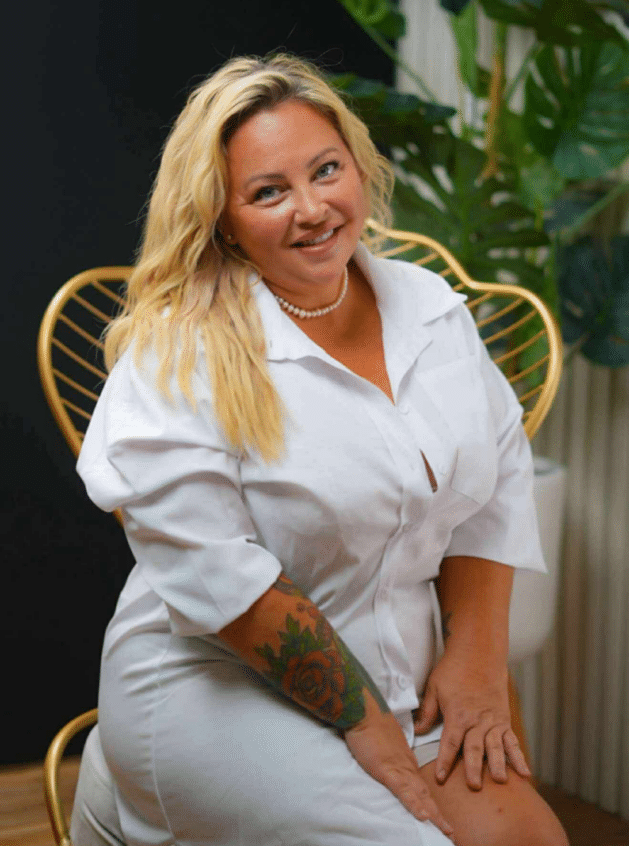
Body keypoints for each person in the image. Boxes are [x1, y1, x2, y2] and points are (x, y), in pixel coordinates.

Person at [75, 53, 569, 846]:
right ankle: (127, 785)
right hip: (220, 683)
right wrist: (366, 724)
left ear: (357, 166)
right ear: (221, 216)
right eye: (268, 192)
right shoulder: (179, 351)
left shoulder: (429, 307)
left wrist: (477, 664)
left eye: (325, 170)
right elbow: (220, 576)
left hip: (407, 673)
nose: (311, 209)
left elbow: (495, 484)